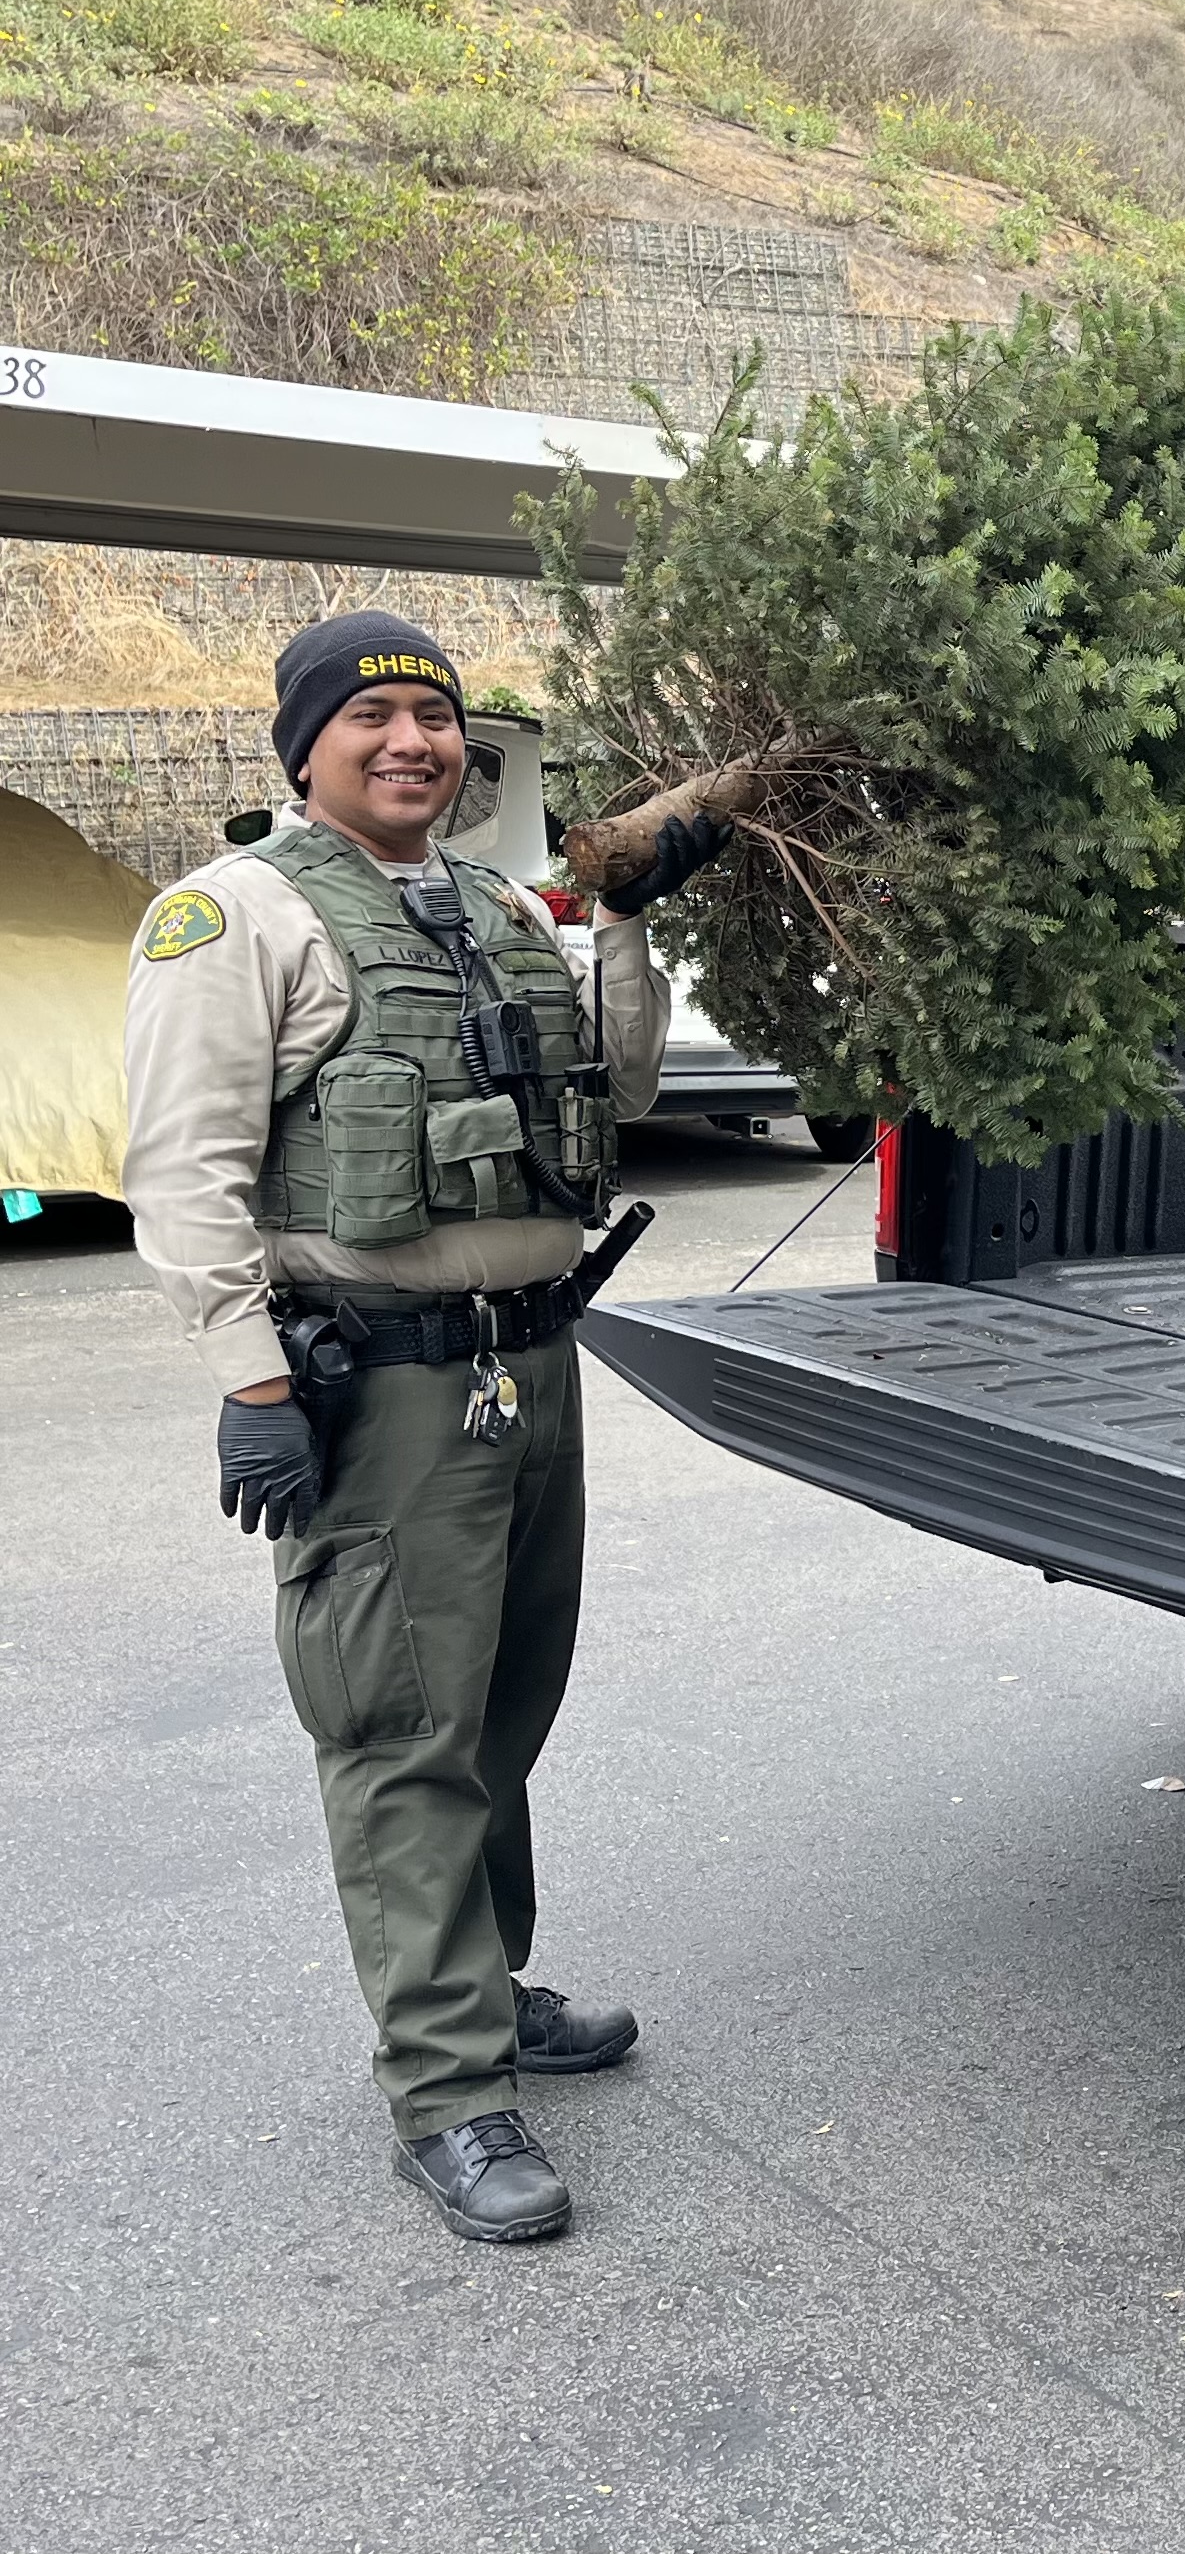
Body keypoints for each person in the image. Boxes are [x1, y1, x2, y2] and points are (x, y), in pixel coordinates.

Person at [121, 611, 727, 2246]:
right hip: (375, 1382)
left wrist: (619, 927)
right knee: (399, 1728)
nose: (414, 742)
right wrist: (253, 1381)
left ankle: (487, 1984)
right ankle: (448, 2092)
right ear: (303, 744)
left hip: (530, 1364)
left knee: (504, 1706)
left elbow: (619, 1089)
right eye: (374, 715)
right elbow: (180, 1171)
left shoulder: (496, 904)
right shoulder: (230, 913)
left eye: (438, 720)